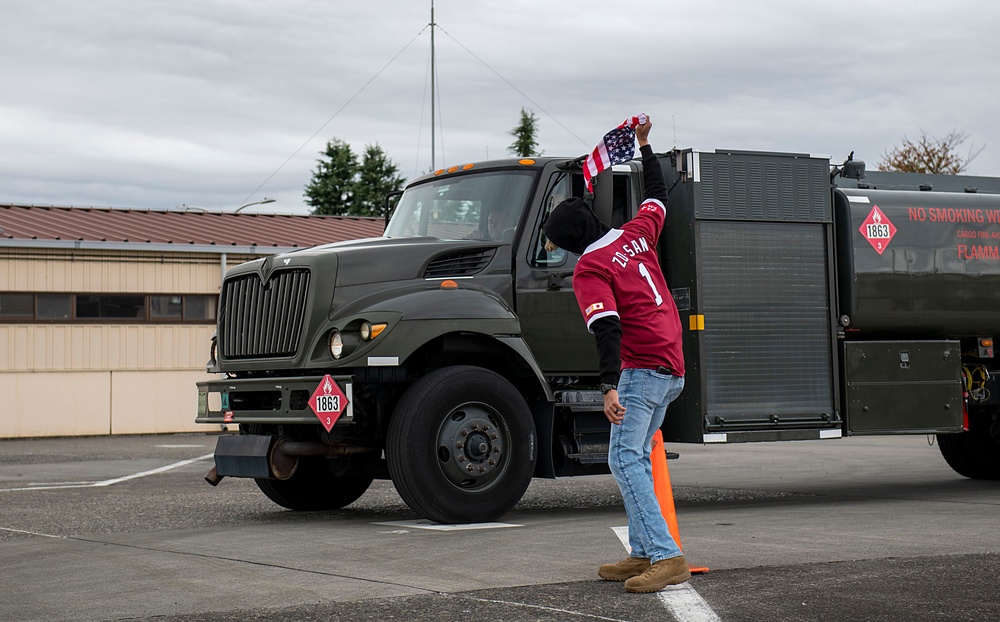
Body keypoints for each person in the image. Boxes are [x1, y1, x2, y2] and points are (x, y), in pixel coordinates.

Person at [542, 117, 688, 593]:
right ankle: (643, 552)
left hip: (641, 369)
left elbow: (607, 327)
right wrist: (646, 147)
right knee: (637, 457)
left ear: (570, 243)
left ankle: (666, 556)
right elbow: (658, 195)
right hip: (672, 365)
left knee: (623, 460)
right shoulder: (636, 234)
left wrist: (607, 385)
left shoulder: (589, 268)